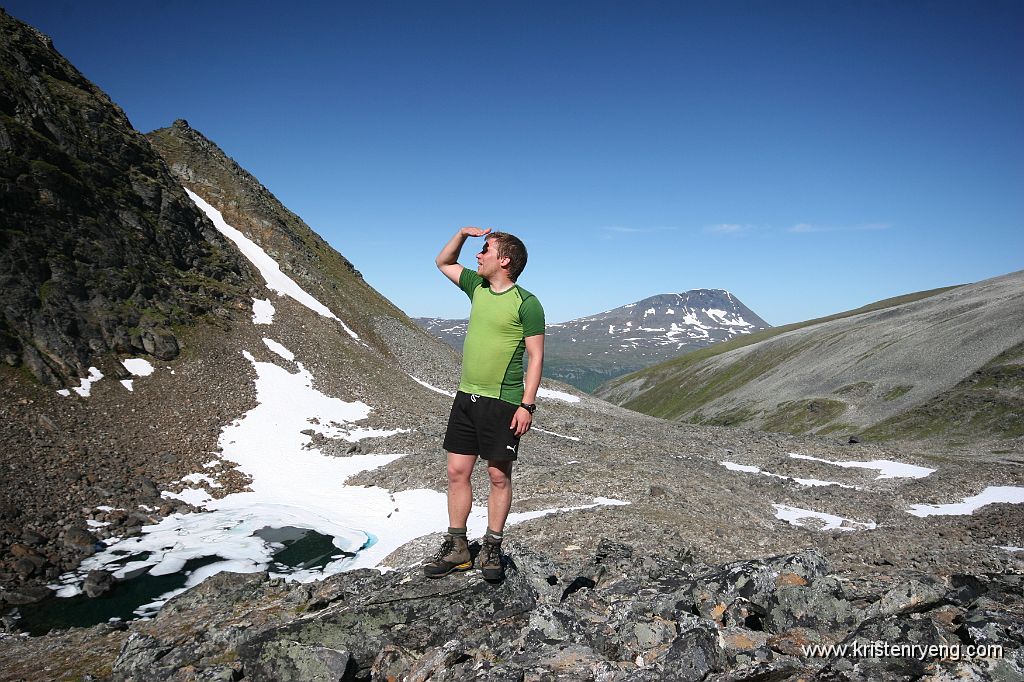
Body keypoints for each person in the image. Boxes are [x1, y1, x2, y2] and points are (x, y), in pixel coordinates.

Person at [424, 226, 545, 581]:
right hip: (466, 396)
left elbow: (536, 357)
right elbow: (443, 261)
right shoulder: (476, 287)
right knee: (456, 472)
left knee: (497, 475)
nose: (477, 255)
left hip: (503, 402)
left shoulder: (527, 303)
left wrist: (527, 405)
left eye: (485, 249)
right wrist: (461, 233)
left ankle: (492, 546)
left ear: (504, 260)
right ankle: (458, 547)